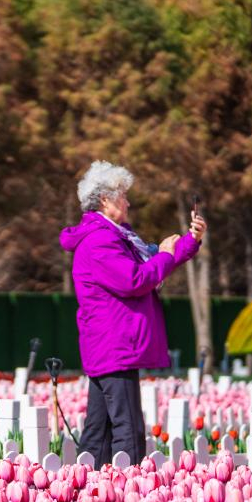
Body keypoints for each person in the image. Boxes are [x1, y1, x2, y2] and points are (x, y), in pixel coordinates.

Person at [60, 160, 207, 467]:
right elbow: (135, 280)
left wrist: (188, 243)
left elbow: (151, 262)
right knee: (128, 428)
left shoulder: (117, 235)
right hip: (115, 343)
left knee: (98, 431)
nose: (127, 202)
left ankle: (87, 490)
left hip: (111, 345)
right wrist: (166, 255)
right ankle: (129, 494)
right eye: (122, 195)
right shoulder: (101, 240)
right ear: (105, 200)